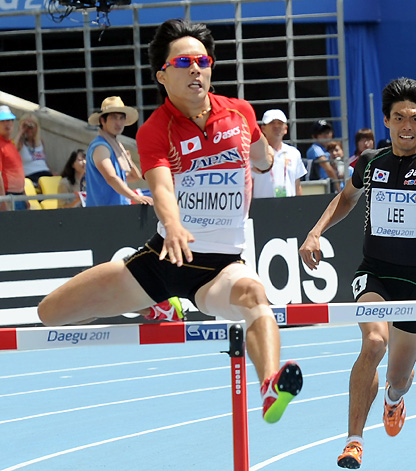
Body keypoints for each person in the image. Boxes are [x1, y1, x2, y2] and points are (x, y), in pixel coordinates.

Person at [38, 19, 302, 424]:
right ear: (162, 74)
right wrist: (174, 224)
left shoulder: (241, 113)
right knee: (51, 313)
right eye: (184, 62)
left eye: (203, 61)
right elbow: (161, 186)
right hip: (164, 260)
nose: (196, 69)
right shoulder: (155, 130)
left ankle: (269, 386)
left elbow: (262, 158)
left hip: (221, 268)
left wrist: (265, 160)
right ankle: (159, 304)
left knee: (254, 294)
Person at [299, 77, 416, 469]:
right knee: (375, 342)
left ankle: (394, 399)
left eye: (414, 118)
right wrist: (315, 232)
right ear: (387, 121)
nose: (407, 126)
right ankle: (354, 442)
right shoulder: (370, 161)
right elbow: (345, 199)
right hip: (373, 273)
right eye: (399, 118)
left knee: (399, 377)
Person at [85, 96, 153, 207]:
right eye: (114, 118)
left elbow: (134, 177)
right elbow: (111, 177)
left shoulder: (115, 145)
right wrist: (135, 197)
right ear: (102, 120)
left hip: (116, 209)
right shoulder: (101, 146)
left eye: (122, 118)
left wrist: (128, 160)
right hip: (103, 211)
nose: (119, 122)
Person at [252, 109, 307, 198]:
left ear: (286, 129)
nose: (276, 126)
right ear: (263, 129)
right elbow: (249, 185)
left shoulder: (294, 153)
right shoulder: (255, 153)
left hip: (289, 205)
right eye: (272, 123)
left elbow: (297, 185)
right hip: (262, 205)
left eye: (280, 123)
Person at [14, 112, 53, 186]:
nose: (29, 129)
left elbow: (44, 161)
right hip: (31, 175)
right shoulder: (20, 143)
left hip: (45, 174)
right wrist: (21, 131)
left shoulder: (40, 142)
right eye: (26, 126)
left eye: (31, 126)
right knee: (44, 185)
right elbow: (11, 150)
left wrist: (52, 172)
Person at [0, 105, 26, 211]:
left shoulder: (10, 144)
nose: (7, 124)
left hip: (19, 197)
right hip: (8, 197)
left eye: (10, 120)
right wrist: (3, 201)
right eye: (3, 121)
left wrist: (24, 196)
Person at [306, 119, 340, 192]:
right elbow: (328, 169)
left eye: (328, 132)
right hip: (318, 188)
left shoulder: (329, 149)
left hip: (328, 186)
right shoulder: (315, 148)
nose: (326, 136)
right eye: (321, 133)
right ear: (314, 136)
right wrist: (339, 189)